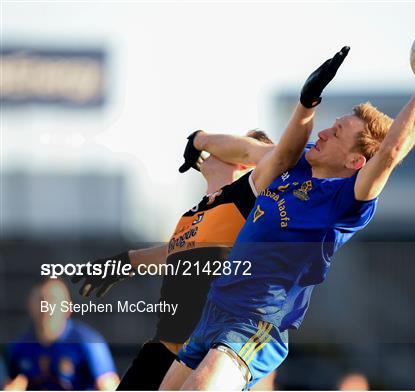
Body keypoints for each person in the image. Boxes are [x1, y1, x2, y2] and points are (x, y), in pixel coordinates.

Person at [160, 27, 415, 390]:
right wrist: (199, 140)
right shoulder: (297, 164)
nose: (324, 133)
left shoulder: (344, 202)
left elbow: (390, 153)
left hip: (255, 324)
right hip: (214, 312)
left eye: (337, 132)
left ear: (356, 160)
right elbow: (247, 151)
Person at [72, 130, 275, 390]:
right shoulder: (195, 212)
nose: (213, 150)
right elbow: (174, 252)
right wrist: (127, 260)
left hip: (204, 354)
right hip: (164, 349)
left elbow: (274, 155)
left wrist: (201, 137)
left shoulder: (248, 198)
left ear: (245, 162)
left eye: (228, 146)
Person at [5, 279, 119, 390]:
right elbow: (11, 384)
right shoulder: (19, 347)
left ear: (68, 307)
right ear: (30, 305)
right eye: (41, 300)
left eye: (53, 300)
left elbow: (108, 385)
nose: (46, 307)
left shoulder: (88, 342)